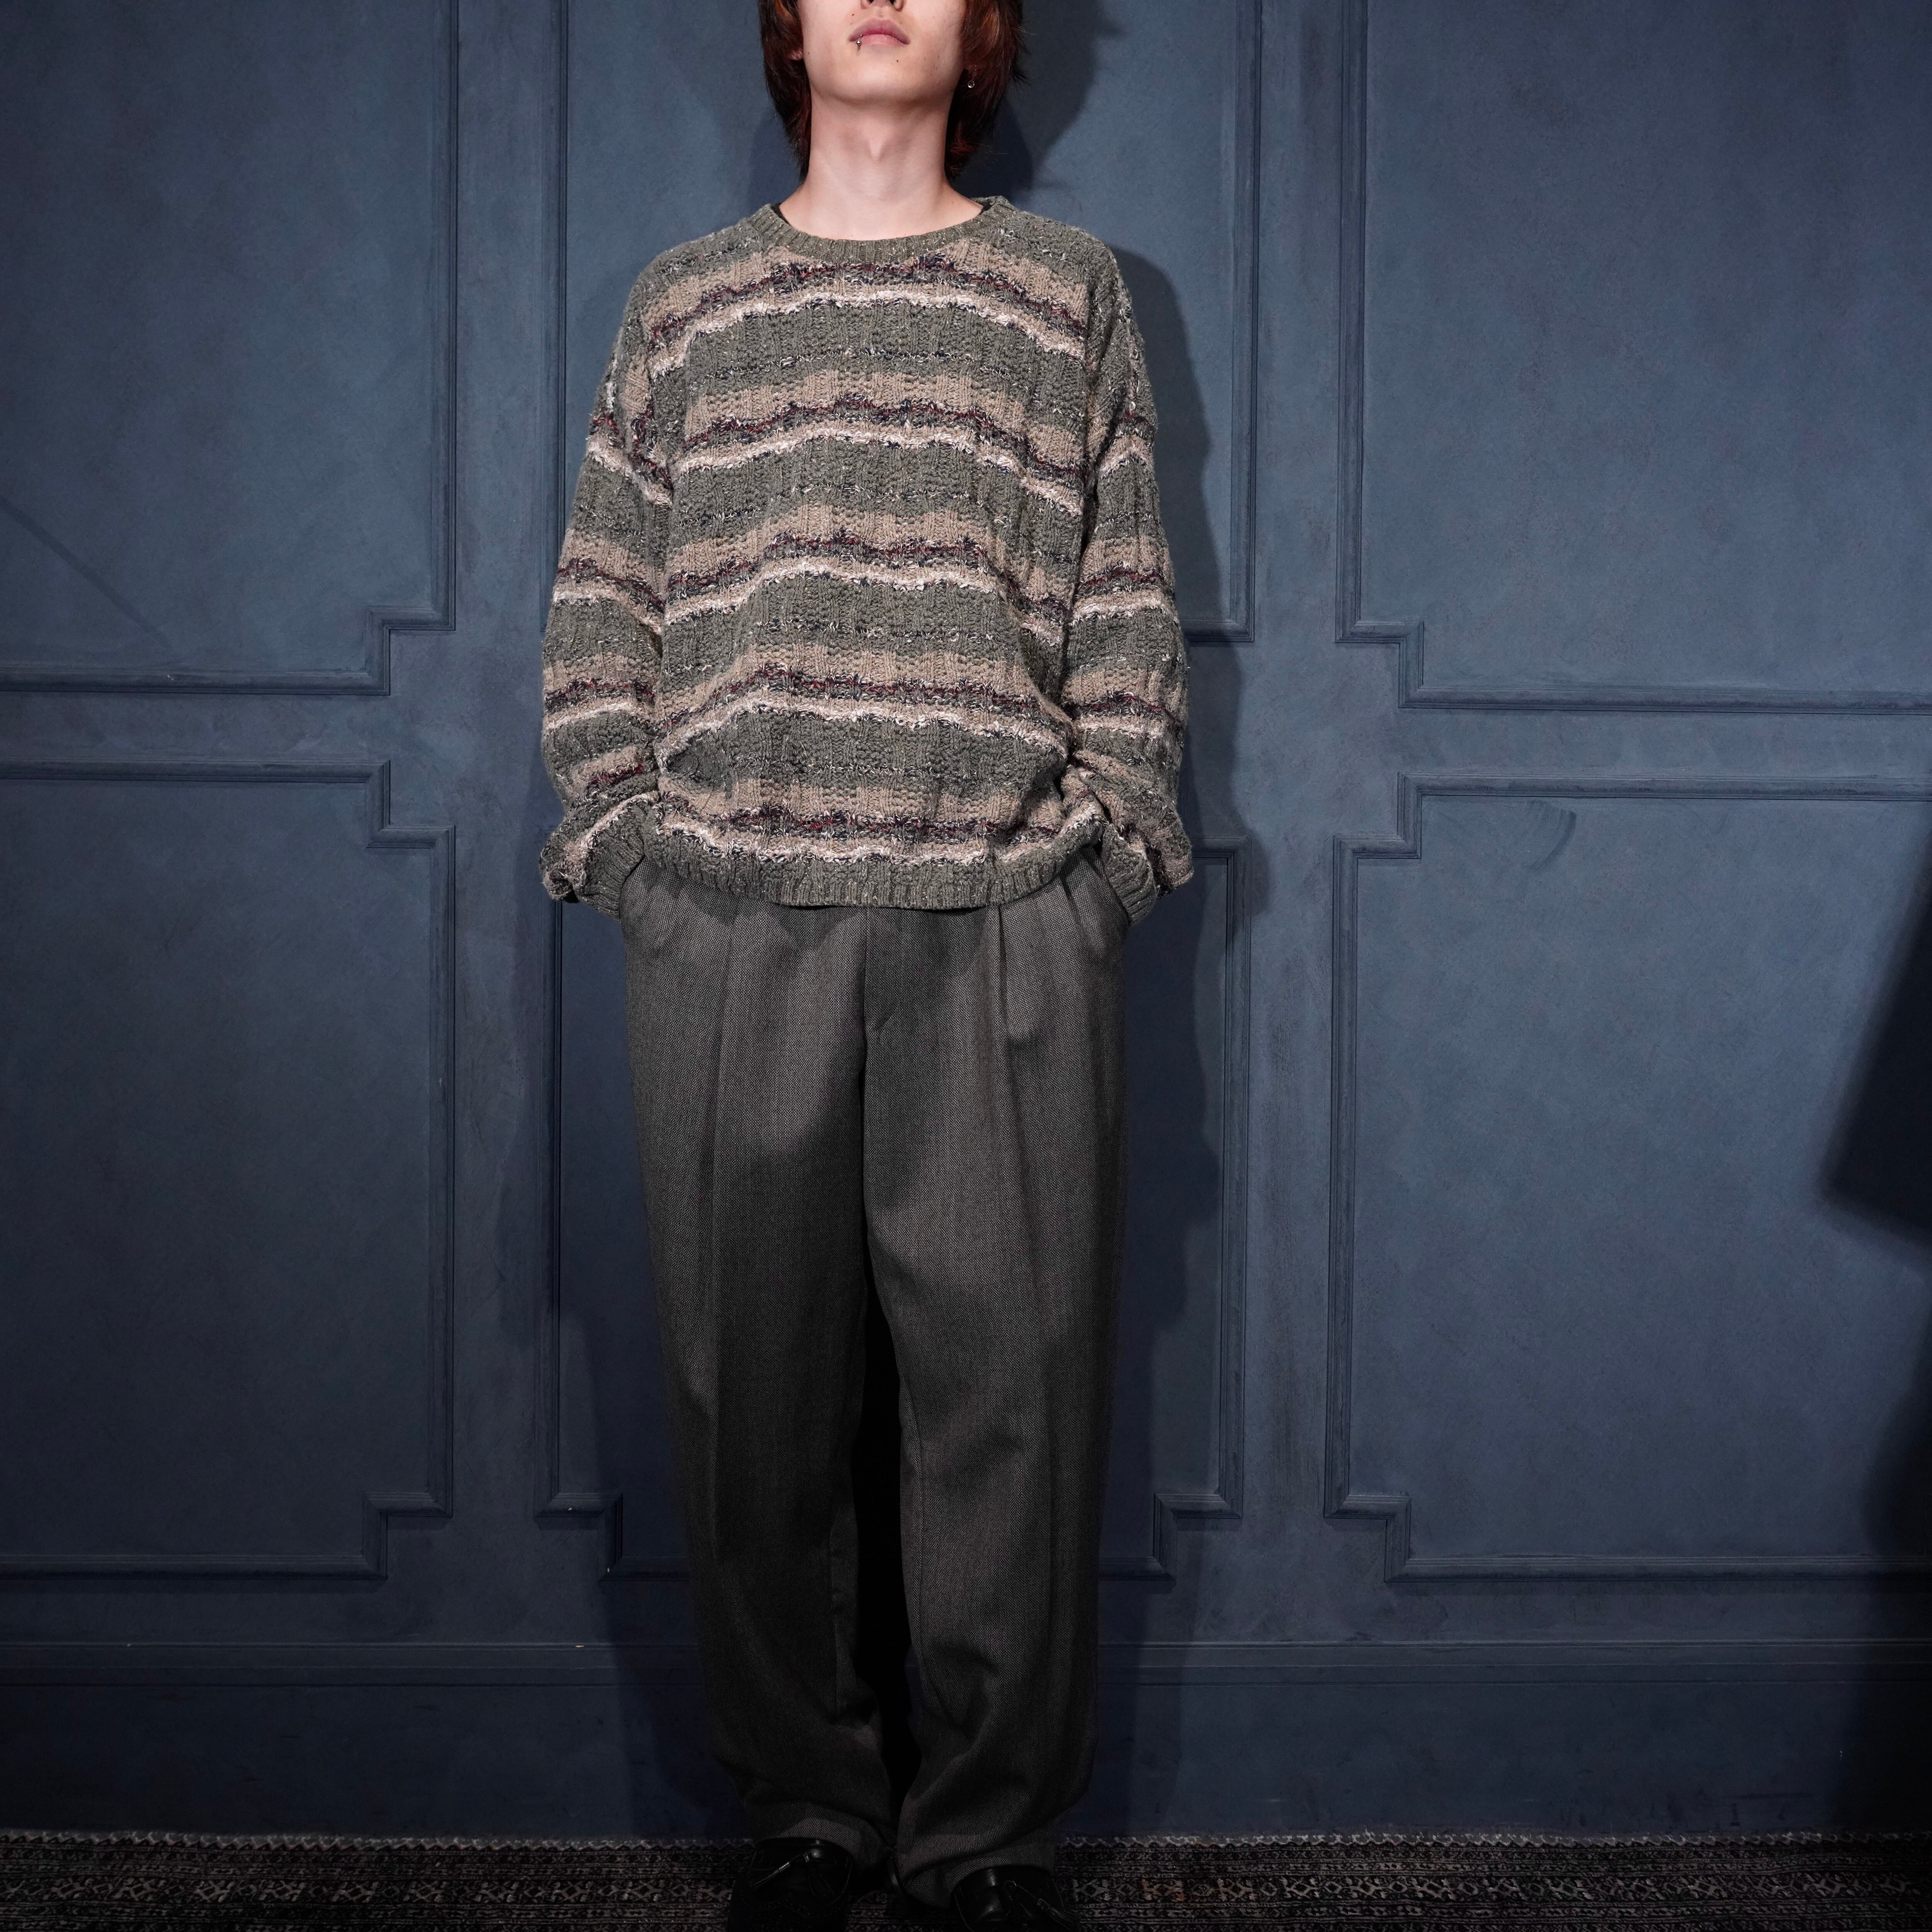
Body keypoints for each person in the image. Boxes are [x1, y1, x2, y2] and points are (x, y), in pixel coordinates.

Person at [537, 0, 1190, 1924]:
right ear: (787, 27)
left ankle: (986, 1837)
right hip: (729, 921)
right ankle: (809, 1808)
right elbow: (602, 599)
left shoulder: (1067, 295)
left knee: (1014, 1407)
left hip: (1004, 919)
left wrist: (1103, 858)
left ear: (984, 33)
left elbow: (1126, 602)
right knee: (750, 1410)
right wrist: (629, 844)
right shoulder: (683, 303)